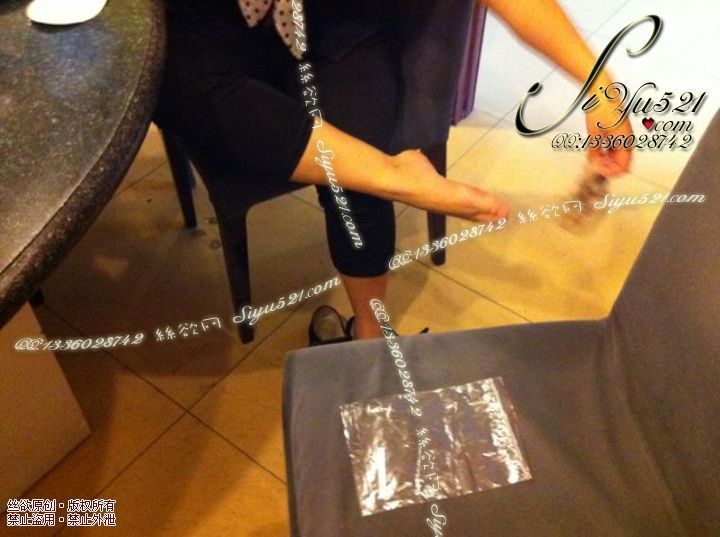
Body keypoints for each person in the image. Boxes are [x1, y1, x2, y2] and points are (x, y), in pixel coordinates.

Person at [154, 0, 632, 341]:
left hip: (335, 20)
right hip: (212, 25)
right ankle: (394, 175)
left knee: (357, 175)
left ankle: (369, 330)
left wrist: (600, 87)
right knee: (177, 83)